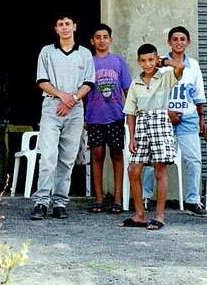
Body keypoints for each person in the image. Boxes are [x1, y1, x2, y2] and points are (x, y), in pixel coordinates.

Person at [30, 14, 95, 220]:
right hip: (52, 105)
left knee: (67, 158)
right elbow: (42, 80)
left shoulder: (84, 53)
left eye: (68, 24)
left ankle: (60, 202)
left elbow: (88, 82)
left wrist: (73, 99)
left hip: (75, 109)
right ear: (56, 28)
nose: (65, 27)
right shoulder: (47, 52)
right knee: (48, 157)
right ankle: (41, 202)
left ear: (74, 26)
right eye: (61, 24)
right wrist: (62, 96)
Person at [142, 26, 207, 216]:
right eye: (175, 39)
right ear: (169, 42)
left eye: (182, 39)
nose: (179, 42)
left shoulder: (193, 65)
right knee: (155, 158)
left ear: (188, 42)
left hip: (188, 117)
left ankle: (193, 200)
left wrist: (201, 116)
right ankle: (146, 197)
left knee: (193, 159)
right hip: (163, 116)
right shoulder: (160, 64)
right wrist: (167, 111)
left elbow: (198, 94)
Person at [119, 43, 184, 230]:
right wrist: (131, 137)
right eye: (143, 61)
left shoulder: (165, 78)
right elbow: (130, 113)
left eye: (151, 60)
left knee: (159, 169)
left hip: (160, 121)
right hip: (141, 124)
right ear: (139, 62)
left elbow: (180, 67)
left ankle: (160, 215)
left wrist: (165, 62)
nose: (147, 64)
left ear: (156, 60)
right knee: (134, 169)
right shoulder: (135, 83)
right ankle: (140, 214)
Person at [84, 24, 132, 214]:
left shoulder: (118, 62)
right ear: (92, 41)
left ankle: (118, 198)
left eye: (105, 36)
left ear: (110, 39)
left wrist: (130, 114)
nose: (102, 40)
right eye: (98, 36)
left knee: (117, 155)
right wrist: (84, 116)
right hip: (95, 116)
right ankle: (98, 199)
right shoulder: (88, 62)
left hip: (116, 116)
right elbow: (83, 91)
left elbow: (128, 90)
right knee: (96, 156)